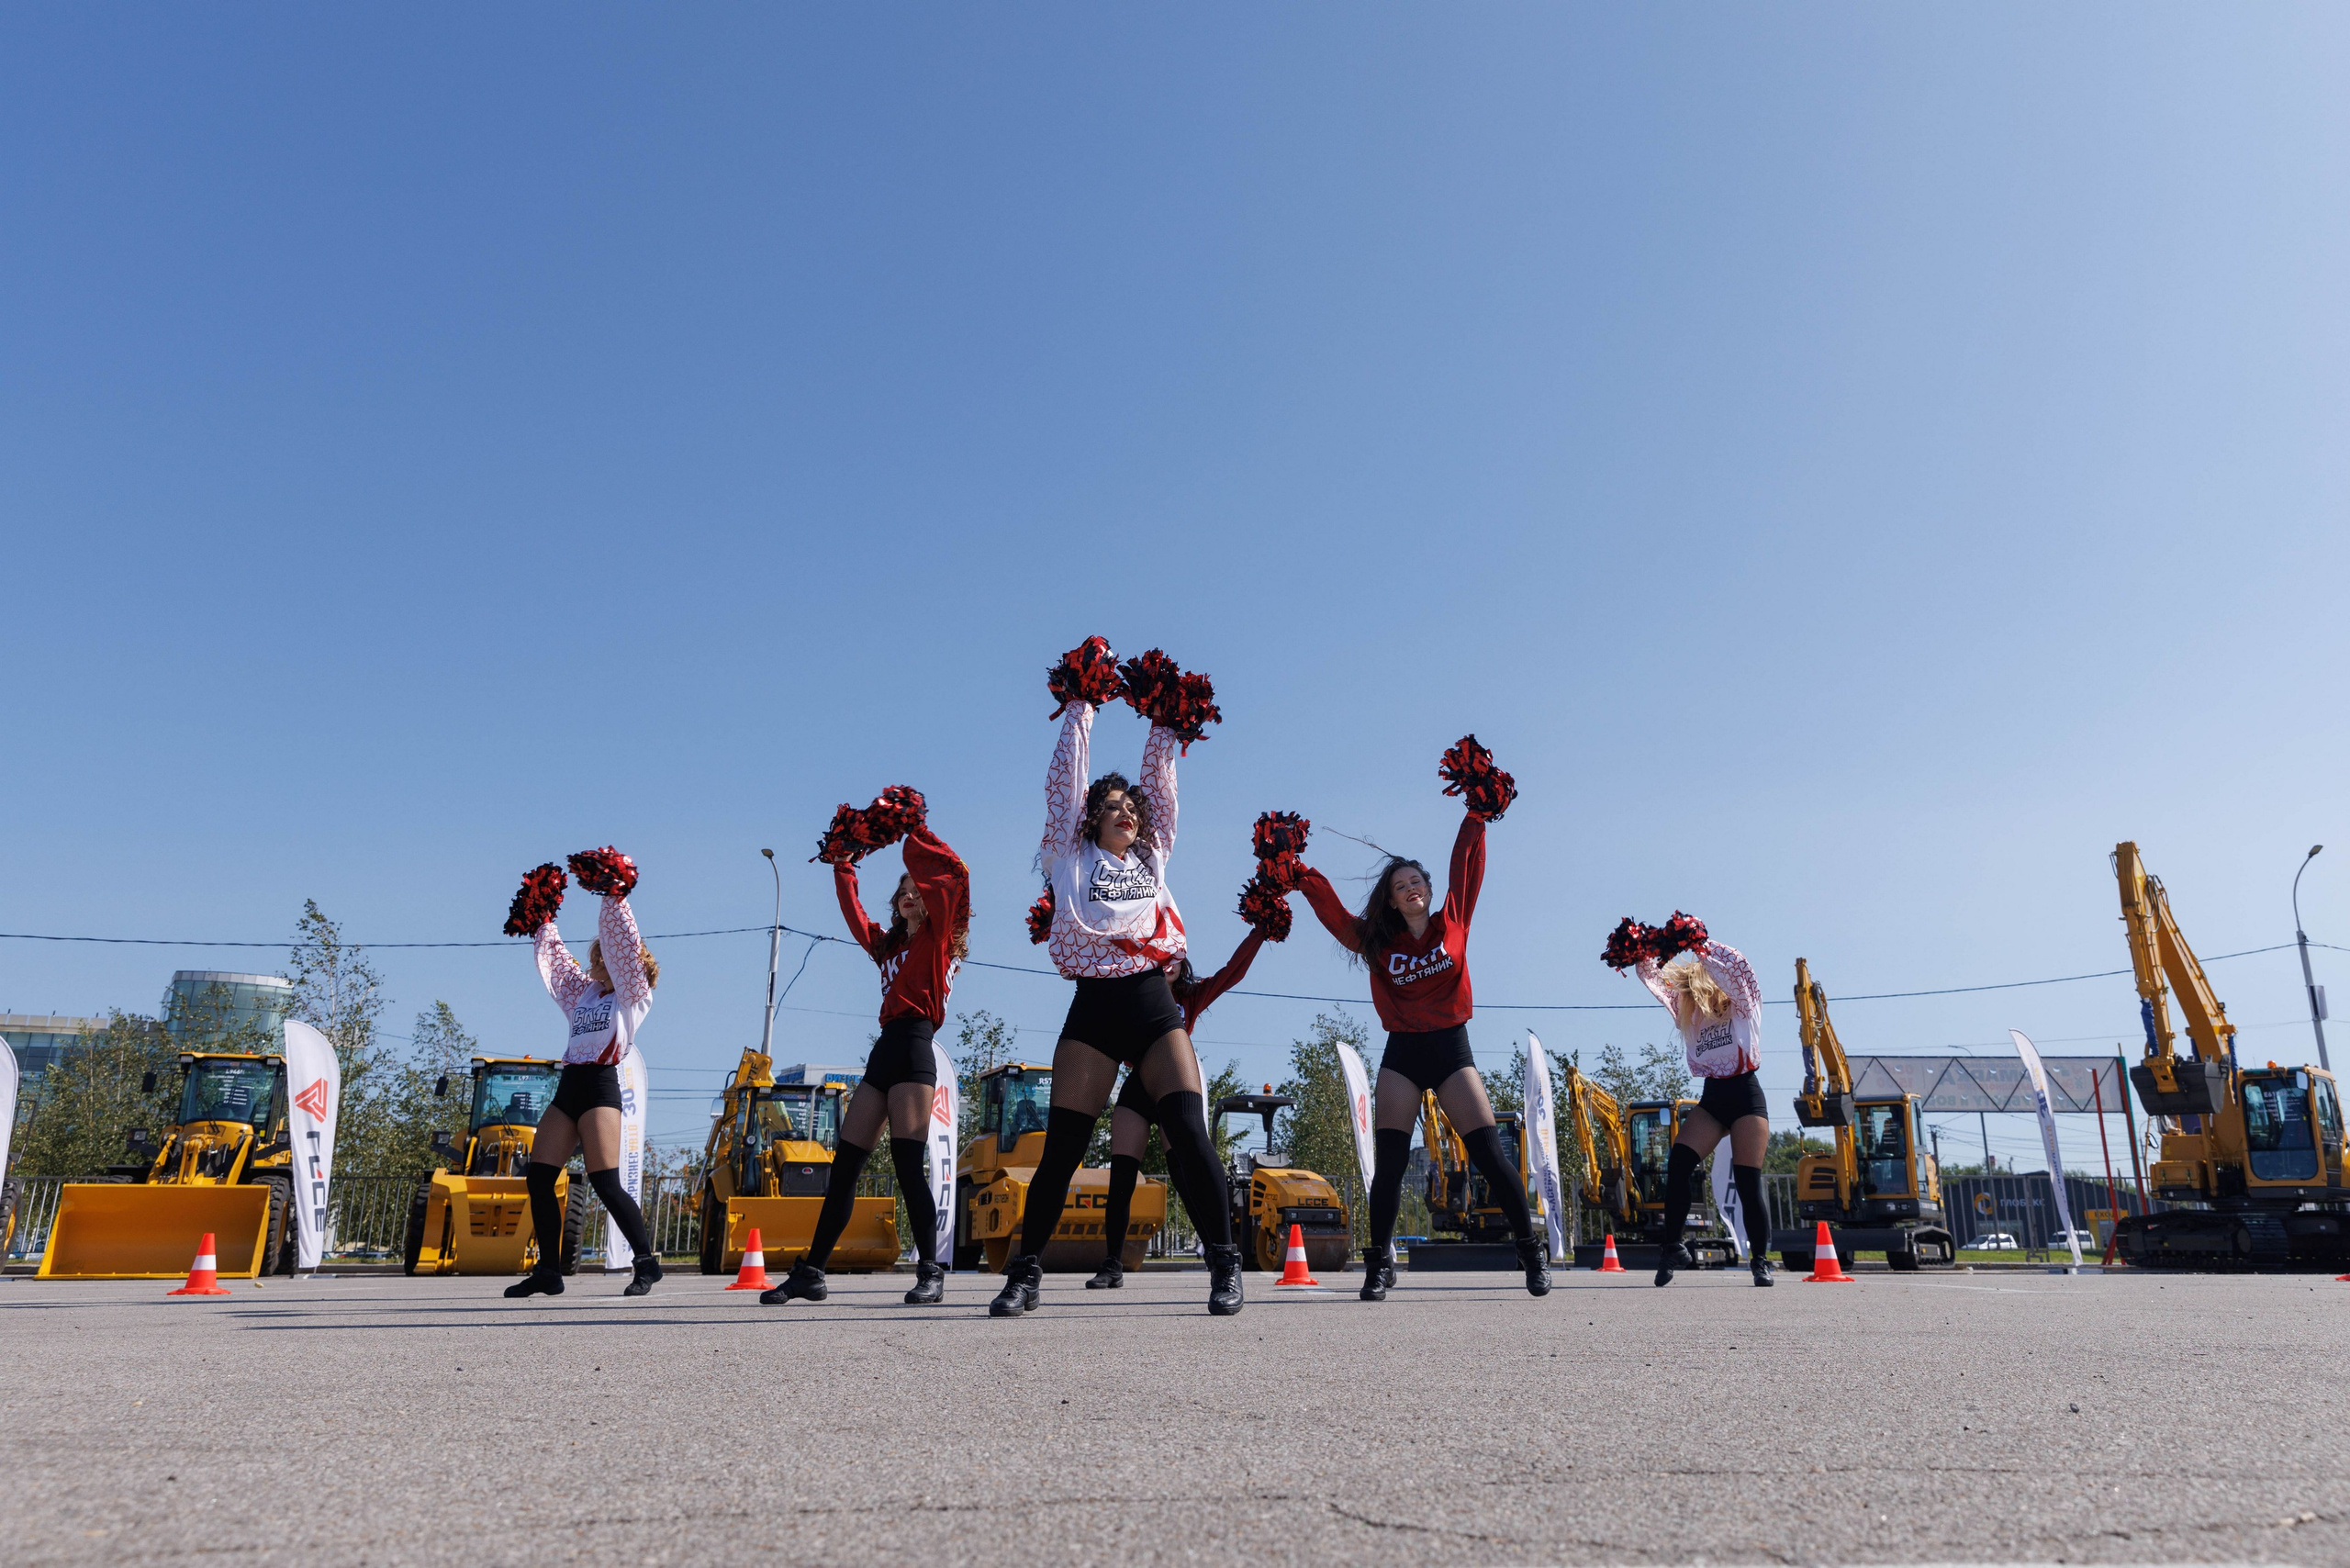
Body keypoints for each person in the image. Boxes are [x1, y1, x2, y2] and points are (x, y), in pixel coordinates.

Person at [990, 674, 1243, 1317]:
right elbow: (1066, 780)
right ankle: (1024, 1275)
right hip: (1095, 1010)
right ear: (1090, 819)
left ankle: (1225, 1265)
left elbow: (1160, 786)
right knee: (1063, 1150)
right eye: (1112, 806)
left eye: (1131, 807)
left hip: (1152, 1004)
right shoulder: (1068, 858)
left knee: (1189, 1131)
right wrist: (1082, 705)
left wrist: (1164, 722)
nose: (1126, 812)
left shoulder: (1152, 859)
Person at [1296, 811, 1550, 1301]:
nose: (1410, 888)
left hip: (1451, 1049)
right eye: (1400, 886)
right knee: (1390, 1165)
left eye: (1416, 882)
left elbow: (1465, 867)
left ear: (1429, 891)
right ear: (1391, 900)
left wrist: (1475, 817)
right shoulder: (1377, 942)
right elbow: (1334, 915)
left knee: (1490, 1155)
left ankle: (1530, 1254)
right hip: (1403, 1054)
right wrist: (1300, 874)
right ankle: (1379, 1266)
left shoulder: (1453, 920)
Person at [766, 808, 968, 1307]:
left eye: (916, 888)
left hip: (916, 1049)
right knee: (846, 1165)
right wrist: (843, 864)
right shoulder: (888, 946)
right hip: (884, 1051)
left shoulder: (939, 939)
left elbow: (954, 879)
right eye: (902, 890)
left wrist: (912, 830)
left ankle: (930, 1271)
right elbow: (854, 913)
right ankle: (812, 1272)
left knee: (906, 1164)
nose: (908, 894)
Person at [1085, 926, 1274, 1290]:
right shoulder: (1134, 992)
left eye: (1175, 957)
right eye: (1162, 956)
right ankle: (1112, 1264)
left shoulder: (1191, 996)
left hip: (1175, 1085)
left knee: (1187, 1173)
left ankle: (1218, 1254)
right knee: (1121, 1177)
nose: (1169, 963)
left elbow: (1232, 973)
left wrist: (1259, 933)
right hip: (1138, 1086)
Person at [508, 864, 661, 1298]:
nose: (594, 963)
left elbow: (623, 945)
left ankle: (646, 1263)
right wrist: (542, 920)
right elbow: (558, 966)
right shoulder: (586, 993)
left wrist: (613, 897)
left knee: (604, 1181)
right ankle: (549, 1272)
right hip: (570, 1084)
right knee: (539, 1177)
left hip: (599, 1087)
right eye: (594, 958)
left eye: (600, 958)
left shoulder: (633, 996)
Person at [1634, 934, 1773, 1285]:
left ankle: (1760, 1260)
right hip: (1713, 1099)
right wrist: (1641, 950)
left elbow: (1738, 968)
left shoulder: (1742, 1004)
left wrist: (1699, 943)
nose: (1692, 998)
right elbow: (1653, 978)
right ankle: (1673, 1248)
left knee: (1747, 1182)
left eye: (1697, 991)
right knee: (1678, 1164)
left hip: (1746, 1097)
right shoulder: (1690, 1013)